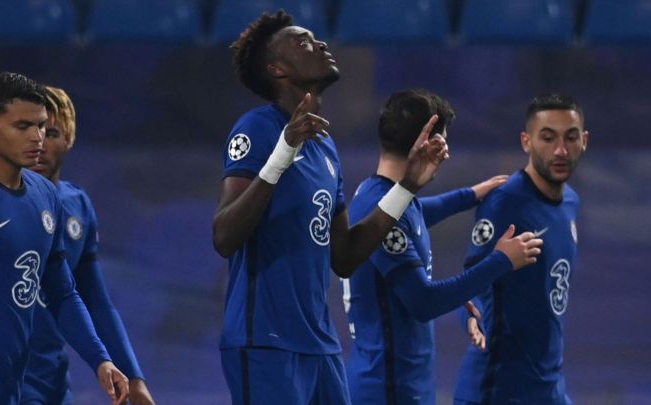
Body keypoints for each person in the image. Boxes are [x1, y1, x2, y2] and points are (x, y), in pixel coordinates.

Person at [212, 10, 449, 405]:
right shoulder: (256, 128)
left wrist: (407, 186)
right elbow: (224, 236)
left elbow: (345, 256)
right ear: (278, 69)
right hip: (264, 342)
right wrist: (281, 155)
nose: (320, 44)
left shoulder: (325, 146)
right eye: (303, 42)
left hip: (321, 346)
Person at [0, 72, 128, 404]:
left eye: (41, 126)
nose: (37, 137)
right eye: (23, 126)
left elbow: (62, 292)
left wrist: (100, 359)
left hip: (12, 389)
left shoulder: (44, 197)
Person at [343, 89, 544, 405]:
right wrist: (501, 260)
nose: (446, 154)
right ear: (427, 144)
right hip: (389, 388)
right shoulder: (384, 206)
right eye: (443, 142)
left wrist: (470, 195)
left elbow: (418, 213)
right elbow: (424, 302)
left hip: (398, 383)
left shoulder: (382, 195)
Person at [19, 86, 155, 405]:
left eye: (52, 133)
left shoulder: (77, 206)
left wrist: (134, 378)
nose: (39, 143)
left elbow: (96, 302)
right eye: (31, 130)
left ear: (69, 139)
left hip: (51, 383)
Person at [453, 94, 588, 404]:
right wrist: (472, 318)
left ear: (584, 141)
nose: (560, 150)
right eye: (548, 138)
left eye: (570, 137)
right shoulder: (505, 204)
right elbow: (471, 283)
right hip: (498, 390)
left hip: (549, 389)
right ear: (526, 142)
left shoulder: (570, 201)